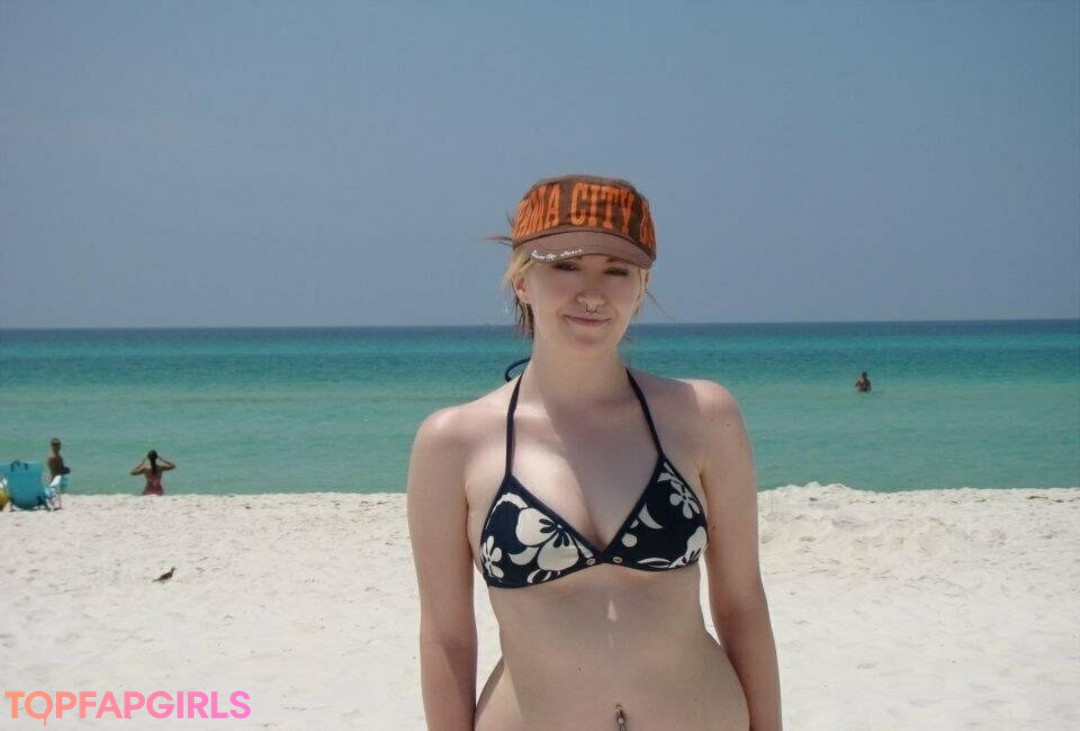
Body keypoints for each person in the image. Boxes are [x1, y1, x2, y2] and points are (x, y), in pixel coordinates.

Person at [407, 174, 782, 730]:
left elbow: (742, 604)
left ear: (641, 285)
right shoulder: (454, 443)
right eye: (566, 266)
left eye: (617, 270)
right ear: (522, 281)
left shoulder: (703, 416)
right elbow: (446, 635)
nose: (592, 293)